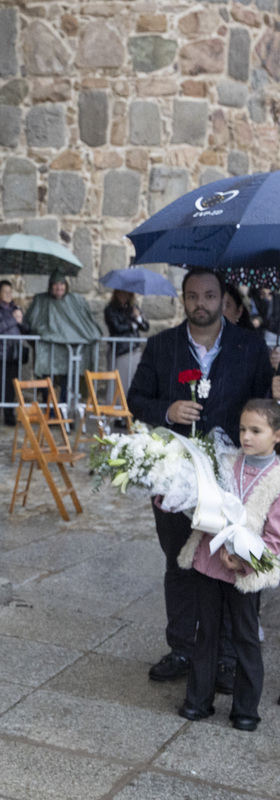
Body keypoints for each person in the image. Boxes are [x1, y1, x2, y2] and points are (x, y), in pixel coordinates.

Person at [127, 268, 273, 687]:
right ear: (183, 299)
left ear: (222, 297)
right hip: (176, 477)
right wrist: (167, 411)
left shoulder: (250, 345)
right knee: (179, 561)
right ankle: (182, 649)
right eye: (192, 296)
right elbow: (137, 400)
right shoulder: (161, 346)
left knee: (234, 562)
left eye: (209, 295)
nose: (201, 304)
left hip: (234, 477)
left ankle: (228, 655)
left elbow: (266, 404)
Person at [176, 398, 280, 730]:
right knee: (205, 631)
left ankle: (246, 709)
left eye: (256, 430)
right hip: (210, 562)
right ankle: (198, 700)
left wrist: (244, 562)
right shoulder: (226, 462)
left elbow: (275, 538)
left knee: (245, 636)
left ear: (277, 435)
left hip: (243, 572)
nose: (246, 437)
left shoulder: (276, 479)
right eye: (242, 429)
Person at [24, 272, 101, 408]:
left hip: (68, 355)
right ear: (50, 286)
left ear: (66, 286)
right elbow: (31, 324)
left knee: (68, 384)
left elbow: (85, 326)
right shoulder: (42, 301)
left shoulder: (75, 301)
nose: (59, 287)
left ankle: (65, 413)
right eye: (55, 284)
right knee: (46, 382)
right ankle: (52, 412)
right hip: (48, 353)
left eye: (61, 284)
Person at [0, 280, 29, 426]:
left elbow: (25, 330)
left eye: (10, 292)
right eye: (5, 292)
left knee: (11, 386)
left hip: (13, 354)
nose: (8, 295)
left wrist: (21, 320)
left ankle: (9, 415)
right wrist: (13, 318)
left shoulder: (16, 309)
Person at [103, 289, 149, 396]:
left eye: (126, 294)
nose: (123, 296)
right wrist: (132, 325)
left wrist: (138, 317)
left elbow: (145, 327)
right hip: (120, 349)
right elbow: (117, 327)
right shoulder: (111, 309)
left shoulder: (133, 308)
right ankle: (115, 406)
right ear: (116, 294)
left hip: (134, 349)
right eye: (121, 293)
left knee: (132, 379)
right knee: (117, 381)